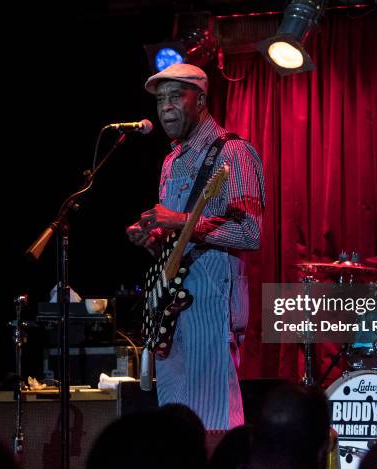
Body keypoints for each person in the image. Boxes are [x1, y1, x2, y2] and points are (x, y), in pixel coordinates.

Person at [126, 63, 265, 430]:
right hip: (172, 308)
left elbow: (250, 232)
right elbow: (175, 237)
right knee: (177, 425)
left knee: (215, 419)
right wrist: (153, 238)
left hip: (212, 303)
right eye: (160, 100)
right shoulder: (171, 160)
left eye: (175, 97)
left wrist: (179, 221)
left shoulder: (233, 152)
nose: (166, 107)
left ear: (200, 99)